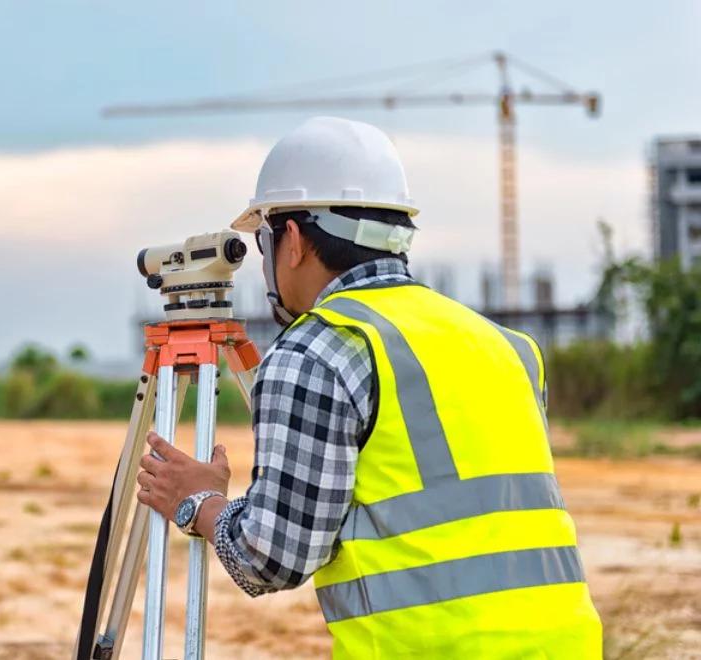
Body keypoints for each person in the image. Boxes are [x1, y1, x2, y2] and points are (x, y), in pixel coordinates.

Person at [135, 117, 602, 658]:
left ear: (290, 241)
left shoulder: (318, 348)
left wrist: (198, 501)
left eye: (263, 239)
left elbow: (271, 558)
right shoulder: (506, 344)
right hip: (567, 644)